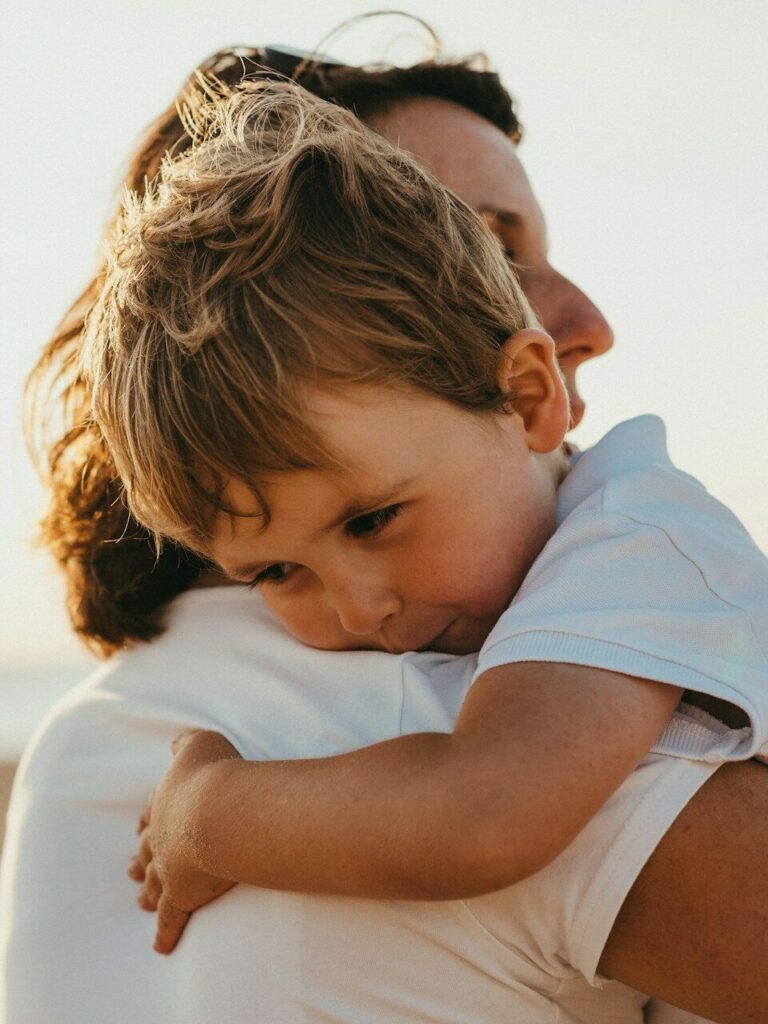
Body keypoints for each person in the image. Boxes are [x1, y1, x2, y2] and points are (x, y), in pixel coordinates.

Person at [2, 39, 766, 1024]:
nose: (591, 318)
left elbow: (485, 806)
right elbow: (481, 807)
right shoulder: (423, 703)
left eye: (373, 520)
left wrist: (212, 813)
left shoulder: (83, 750)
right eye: (485, 246)